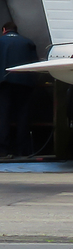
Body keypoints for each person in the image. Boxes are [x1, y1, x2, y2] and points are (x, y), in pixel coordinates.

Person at [0, 21, 38, 158]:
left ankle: (4, 150)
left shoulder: (1, 41)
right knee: (23, 116)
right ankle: (23, 150)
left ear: (4, 30)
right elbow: (35, 65)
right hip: (24, 83)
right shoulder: (27, 42)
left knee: (3, 116)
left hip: (4, 84)